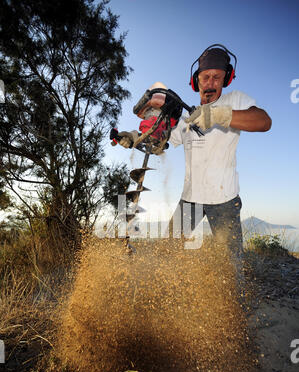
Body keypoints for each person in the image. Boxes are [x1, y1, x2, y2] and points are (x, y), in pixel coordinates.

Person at [113, 45, 272, 304]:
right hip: (191, 202)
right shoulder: (186, 118)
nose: (210, 83)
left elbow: (264, 121)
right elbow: (160, 141)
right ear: (195, 81)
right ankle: (170, 303)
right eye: (205, 77)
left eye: (217, 77)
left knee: (230, 269)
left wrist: (220, 115)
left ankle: (234, 316)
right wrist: (134, 137)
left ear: (226, 79)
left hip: (224, 202)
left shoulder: (235, 101)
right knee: (169, 253)